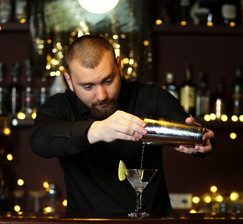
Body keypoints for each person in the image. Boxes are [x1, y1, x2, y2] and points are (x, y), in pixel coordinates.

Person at [29, 35, 214, 214]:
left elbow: (188, 128)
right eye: (88, 86)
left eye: (108, 81)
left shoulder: (150, 97)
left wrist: (198, 141)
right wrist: (98, 130)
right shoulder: (62, 106)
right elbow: (40, 140)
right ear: (69, 80)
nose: (101, 95)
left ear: (119, 66)